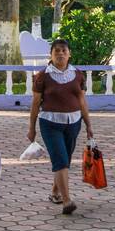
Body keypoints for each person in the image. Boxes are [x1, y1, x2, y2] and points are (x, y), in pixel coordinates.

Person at [27, 38, 95, 215]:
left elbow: (82, 101)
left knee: (65, 159)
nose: (60, 54)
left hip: (73, 124)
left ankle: (55, 192)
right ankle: (67, 201)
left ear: (69, 54)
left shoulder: (78, 75)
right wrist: (32, 128)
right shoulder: (42, 76)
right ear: (51, 54)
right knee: (60, 160)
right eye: (56, 50)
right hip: (50, 123)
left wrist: (88, 125)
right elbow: (35, 103)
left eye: (64, 50)